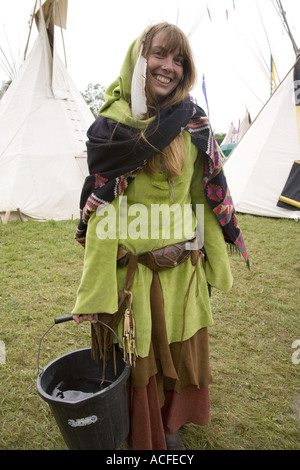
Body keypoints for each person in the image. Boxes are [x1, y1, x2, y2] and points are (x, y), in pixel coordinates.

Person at [72, 22, 249, 450]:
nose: (168, 67)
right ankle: (145, 435)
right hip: (136, 280)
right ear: (139, 60)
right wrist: (94, 295)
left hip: (182, 275)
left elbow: (200, 197)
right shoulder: (113, 130)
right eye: (159, 55)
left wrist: (211, 261)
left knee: (181, 349)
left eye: (179, 60)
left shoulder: (192, 124)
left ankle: (172, 424)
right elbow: (103, 218)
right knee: (141, 357)